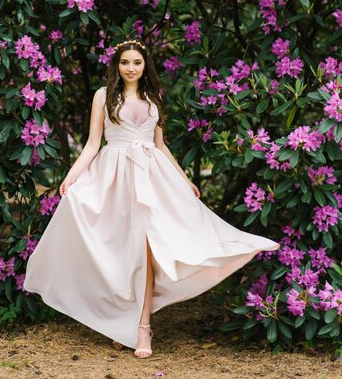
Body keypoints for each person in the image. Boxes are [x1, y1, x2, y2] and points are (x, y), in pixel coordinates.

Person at [23, 39, 280, 359]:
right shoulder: (103, 96)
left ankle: (143, 327)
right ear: (116, 65)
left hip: (151, 178)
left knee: (146, 251)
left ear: (145, 66)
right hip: (114, 178)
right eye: (125, 62)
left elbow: (159, 145)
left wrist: (184, 179)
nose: (131, 68)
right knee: (121, 251)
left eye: (137, 62)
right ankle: (122, 322)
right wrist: (71, 176)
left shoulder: (152, 98)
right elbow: (92, 144)